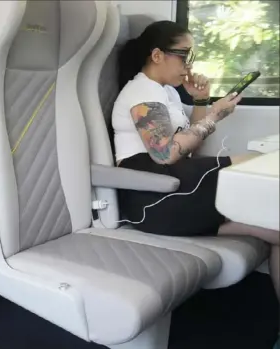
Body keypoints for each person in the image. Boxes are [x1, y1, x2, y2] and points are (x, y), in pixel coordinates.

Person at [111, 20, 279, 338]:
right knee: (255, 166)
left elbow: (191, 143)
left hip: (175, 186)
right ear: (158, 55)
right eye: (184, 55)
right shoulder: (140, 93)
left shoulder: (166, 94)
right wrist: (213, 115)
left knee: (277, 229)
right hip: (154, 195)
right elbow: (164, 153)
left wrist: (201, 102)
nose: (189, 66)